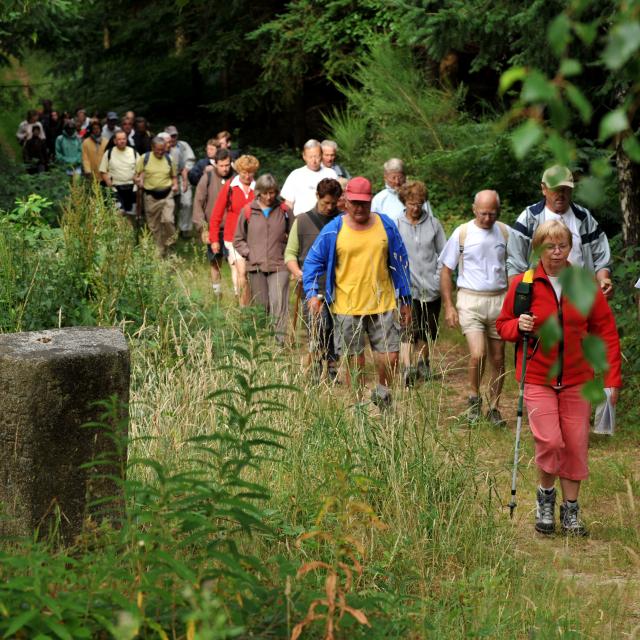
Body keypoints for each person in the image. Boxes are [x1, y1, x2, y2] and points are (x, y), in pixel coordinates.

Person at [497, 220, 621, 536]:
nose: (555, 252)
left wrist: (610, 380)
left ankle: (571, 511)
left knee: (576, 445)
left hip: (578, 377)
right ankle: (545, 500)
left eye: (562, 245)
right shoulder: (523, 284)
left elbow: (605, 331)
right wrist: (518, 326)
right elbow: (503, 325)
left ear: (570, 248)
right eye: (549, 246)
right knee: (551, 441)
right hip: (537, 376)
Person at [303, 177, 412, 407]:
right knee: (355, 359)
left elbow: (401, 262)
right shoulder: (334, 229)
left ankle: (382, 392)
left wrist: (405, 299)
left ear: (371, 200)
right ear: (345, 201)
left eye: (364, 202)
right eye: (354, 202)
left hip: (382, 303)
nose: (359, 207)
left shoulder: (386, 225)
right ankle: (358, 404)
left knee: (391, 356)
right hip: (346, 306)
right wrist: (312, 293)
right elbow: (313, 262)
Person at [439, 190, 509, 425]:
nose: (487, 219)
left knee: (498, 358)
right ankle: (473, 396)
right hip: (470, 300)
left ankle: (494, 406)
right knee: (478, 353)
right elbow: (446, 270)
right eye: (483, 214)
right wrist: (449, 306)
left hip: (499, 300)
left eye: (492, 214)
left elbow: (517, 266)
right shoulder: (463, 233)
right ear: (474, 209)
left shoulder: (505, 233)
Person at [507, 165, 613, 298]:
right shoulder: (529, 219)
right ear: (544, 189)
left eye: (565, 189)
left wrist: (604, 281)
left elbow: (601, 258)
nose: (561, 194)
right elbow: (515, 263)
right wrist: (519, 298)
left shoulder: (584, 218)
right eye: (555, 189)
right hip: (540, 294)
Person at [285, 178, 343, 382]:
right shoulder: (302, 221)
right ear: (317, 197)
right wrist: (299, 272)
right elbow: (290, 253)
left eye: (333, 203)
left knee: (335, 327)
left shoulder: (344, 221)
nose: (329, 207)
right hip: (312, 284)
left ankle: (333, 365)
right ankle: (317, 365)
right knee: (316, 326)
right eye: (325, 202)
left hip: (339, 284)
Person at [397, 180, 446, 384]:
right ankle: (407, 368)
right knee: (408, 329)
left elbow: (444, 255)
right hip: (408, 288)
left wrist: (437, 280)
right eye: (411, 203)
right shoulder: (397, 223)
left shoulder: (434, 224)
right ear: (404, 202)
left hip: (431, 288)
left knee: (428, 329)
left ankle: (423, 364)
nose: (415, 208)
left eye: (419, 203)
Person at [234, 174, 293, 344]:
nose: (269, 197)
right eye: (265, 193)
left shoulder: (284, 210)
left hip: (279, 265)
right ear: (258, 192)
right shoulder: (248, 210)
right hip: (256, 266)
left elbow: (294, 236)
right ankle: (261, 343)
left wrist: (289, 255)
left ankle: (279, 343)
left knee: (279, 305)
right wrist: (249, 253)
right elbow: (238, 238)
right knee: (261, 307)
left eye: (273, 193)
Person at [209, 154, 259, 305]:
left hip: (254, 237)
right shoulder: (230, 187)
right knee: (241, 270)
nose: (247, 175)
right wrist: (214, 239)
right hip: (233, 237)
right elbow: (216, 214)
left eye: (250, 172)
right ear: (238, 171)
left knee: (245, 273)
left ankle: (244, 300)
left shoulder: (258, 189)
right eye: (244, 172)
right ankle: (245, 306)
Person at [192, 148, 234, 295]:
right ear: (215, 164)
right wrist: (203, 228)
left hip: (233, 229)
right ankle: (217, 293)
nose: (225, 168)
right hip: (214, 228)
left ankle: (238, 293)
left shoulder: (236, 178)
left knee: (236, 263)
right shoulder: (207, 178)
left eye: (227, 165)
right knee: (215, 262)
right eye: (221, 165)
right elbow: (198, 203)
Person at [134, 136, 178, 257]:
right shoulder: (145, 158)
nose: (160, 152)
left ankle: (170, 246)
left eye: (162, 149)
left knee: (168, 220)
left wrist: (175, 185)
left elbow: (174, 176)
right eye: (157, 149)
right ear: (152, 148)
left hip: (167, 195)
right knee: (154, 226)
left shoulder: (169, 159)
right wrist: (138, 180)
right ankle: (160, 249)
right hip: (151, 197)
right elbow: (136, 175)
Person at [280, 139, 337, 216]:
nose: (314, 160)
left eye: (317, 156)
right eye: (310, 157)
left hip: (326, 220)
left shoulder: (331, 174)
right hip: (301, 220)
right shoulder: (296, 175)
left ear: (321, 155)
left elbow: (337, 199)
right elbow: (288, 203)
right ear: (304, 156)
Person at [100, 130, 139, 220]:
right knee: (119, 214)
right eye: (119, 139)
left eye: (124, 139)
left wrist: (137, 177)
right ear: (115, 141)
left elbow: (141, 169)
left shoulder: (133, 152)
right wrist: (108, 182)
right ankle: (120, 233)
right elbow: (103, 171)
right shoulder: (109, 153)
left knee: (131, 216)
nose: (122, 141)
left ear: (127, 140)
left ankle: (131, 233)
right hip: (116, 189)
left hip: (132, 189)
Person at [165, 125, 196, 237]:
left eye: (175, 136)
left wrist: (185, 172)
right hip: (167, 179)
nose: (173, 138)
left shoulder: (183, 145)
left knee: (187, 202)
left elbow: (190, 160)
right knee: (170, 205)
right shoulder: (162, 147)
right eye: (171, 136)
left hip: (183, 176)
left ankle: (185, 228)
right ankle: (171, 230)